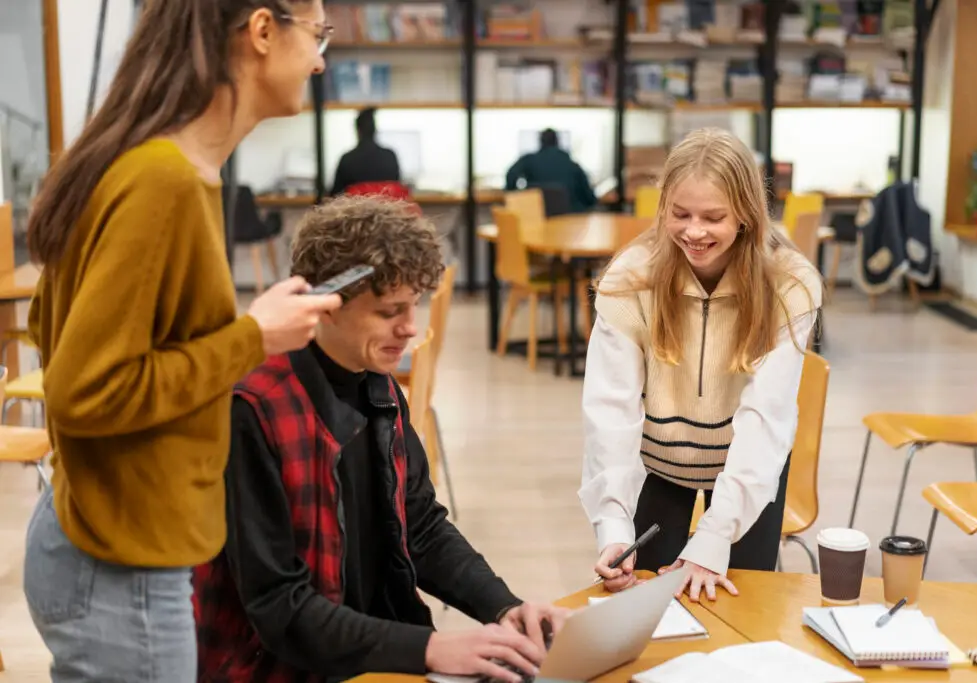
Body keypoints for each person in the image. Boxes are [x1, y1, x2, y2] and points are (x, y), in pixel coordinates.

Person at [22, 2, 342, 681]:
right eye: (318, 34)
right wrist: (252, 336)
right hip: (120, 563)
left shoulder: (160, 164)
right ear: (261, 30)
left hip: (112, 538)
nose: (320, 59)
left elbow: (52, 324)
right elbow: (83, 389)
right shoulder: (163, 179)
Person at [193, 195, 570, 683]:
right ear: (324, 308)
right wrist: (430, 649)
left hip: (371, 649)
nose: (410, 329)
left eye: (413, 306)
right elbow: (279, 607)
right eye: (389, 311)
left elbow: (421, 526)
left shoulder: (377, 379)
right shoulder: (254, 408)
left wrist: (504, 608)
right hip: (280, 670)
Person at [578, 128, 822, 604]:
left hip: (745, 464)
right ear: (662, 206)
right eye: (680, 214)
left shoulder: (789, 285)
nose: (694, 232)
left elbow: (765, 418)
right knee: (643, 601)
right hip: (661, 462)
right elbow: (611, 411)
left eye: (714, 217)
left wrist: (714, 537)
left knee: (739, 604)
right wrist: (612, 524)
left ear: (747, 216)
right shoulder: (630, 278)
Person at [504, 129, 598, 213]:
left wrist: (514, 196)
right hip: (569, 221)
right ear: (557, 142)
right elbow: (589, 198)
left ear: (540, 142)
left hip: (536, 217)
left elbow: (511, 174)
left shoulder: (528, 160)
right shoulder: (571, 164)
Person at [330, 107, 402, 196]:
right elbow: (397, 190)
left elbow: (335, 196)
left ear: (358, 131)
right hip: (386, 210)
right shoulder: (390, 156)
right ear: (375, 131)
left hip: (357, 210)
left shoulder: (347, 159)